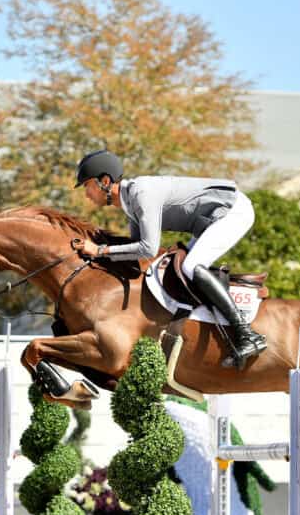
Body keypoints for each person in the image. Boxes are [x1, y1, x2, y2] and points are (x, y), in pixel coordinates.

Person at [73, 149, 266, 368]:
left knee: (192, 265)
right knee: (185, 267)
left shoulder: (141, 194)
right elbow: (136, 251)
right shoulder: (130, 203)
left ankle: (247, 334)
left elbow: (147, 248)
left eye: (88, 186)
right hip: (211, 219)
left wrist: (100, 251)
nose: (87, 194)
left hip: (233, 211)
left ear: (105, 181)